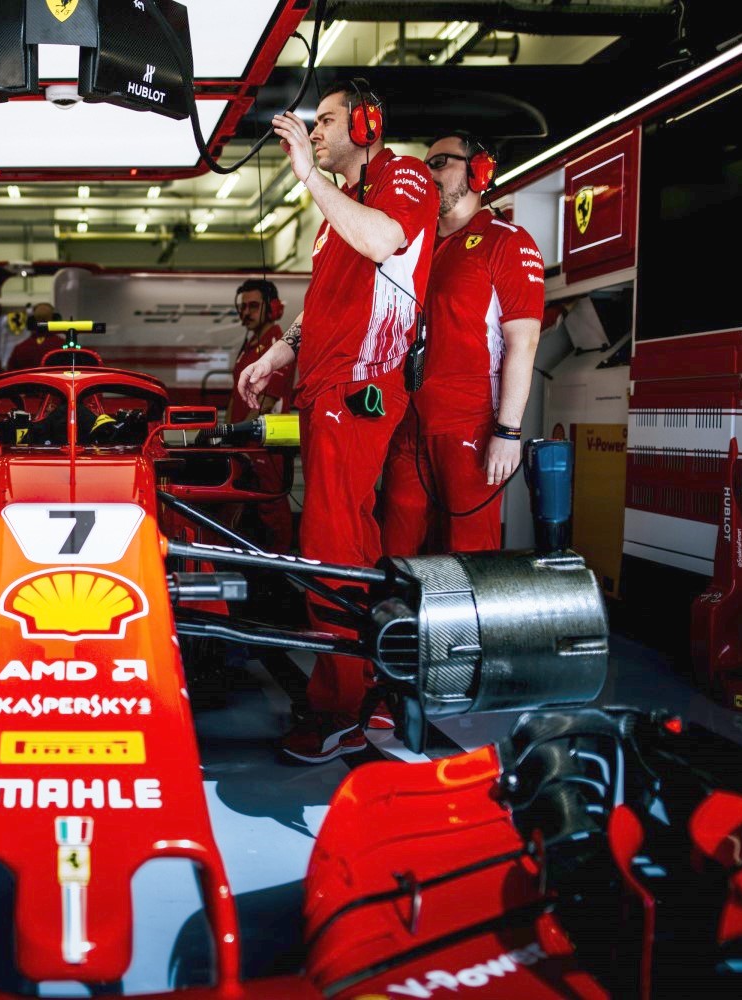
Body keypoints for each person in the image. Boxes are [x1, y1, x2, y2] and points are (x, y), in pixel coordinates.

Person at [237, 80, 438, 764]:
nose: (314, 133)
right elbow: (323, 299)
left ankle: (337, 710)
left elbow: (385, 241)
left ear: (367, 122)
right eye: (313, 124)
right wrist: (279, 354)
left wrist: (306, 178)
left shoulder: (404, 178)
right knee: (346, 545)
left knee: (330, 548)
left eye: (325, 121)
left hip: (361, 390)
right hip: (324, 387)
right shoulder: (340, 213)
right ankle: (367, 694)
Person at [381, 132, 545, 556]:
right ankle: (403, 624)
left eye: (440, 164)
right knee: (396, 549)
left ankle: (468, 627)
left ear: (478, 172)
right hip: (408, 423)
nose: (427, 173)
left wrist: (508, 432)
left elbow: (524, 342)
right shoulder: (410, 246)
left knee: (470, 553)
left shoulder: (507, 241)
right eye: (425, 165)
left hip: (470, 425)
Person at [226, 279, 294, 553]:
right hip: (245, 442)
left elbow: (266, 400)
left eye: (254, 306)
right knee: (252, 511)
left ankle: (282, 566)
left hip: (266, 442)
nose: (246, 312)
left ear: (273, 308)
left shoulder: (277, 344)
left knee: (271, 507)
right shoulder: (252, 343)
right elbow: (236, 394)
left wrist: (238, 435)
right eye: (243, 307)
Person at [5, 302, 66, 371]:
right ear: (55, 320)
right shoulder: (64, 346)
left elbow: (10, 374)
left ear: (32, 321)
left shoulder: (20, 349)